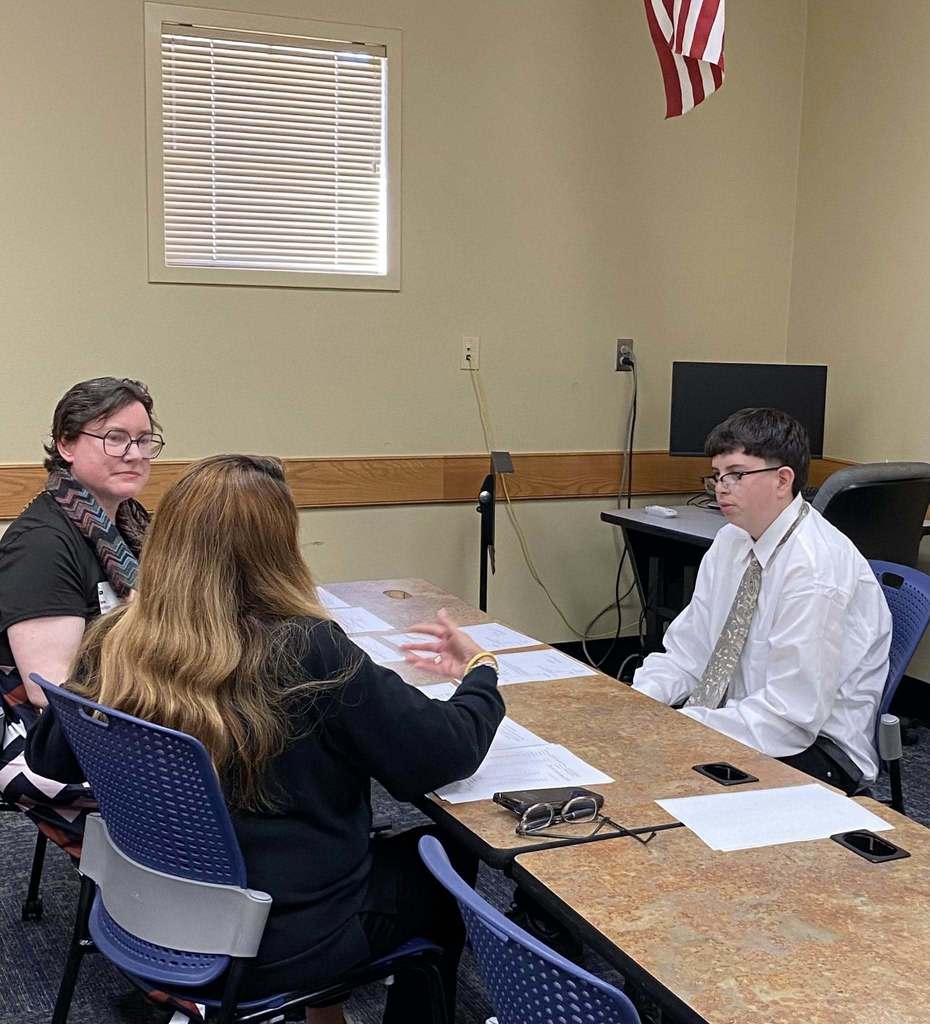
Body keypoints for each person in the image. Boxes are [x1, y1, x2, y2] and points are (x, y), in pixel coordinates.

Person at [26, 454, 504, 1024]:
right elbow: (444, 753)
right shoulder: (308, 648)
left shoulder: (119, 641)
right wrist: (481, 670)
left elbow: (47, 754)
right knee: (443, 857)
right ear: (278, 548)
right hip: (274, 941)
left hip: (144, 909)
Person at [632, 407, 892, 793]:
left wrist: (684, 727)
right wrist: (637, 704)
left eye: (736, 474)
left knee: (662, 787)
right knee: (629, 761)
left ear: (782, 480)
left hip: (817, 749)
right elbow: (689, 653)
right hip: (740, 720)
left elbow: (791, 718)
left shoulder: (814, 569)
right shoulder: (730, 541)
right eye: (717, 476)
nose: (722, 487)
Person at [0, 377, 163, 849]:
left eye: (143, 439)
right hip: (62, 736)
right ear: (66, 445)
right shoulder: (42, 545)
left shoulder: (131, 523)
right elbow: (49, 690)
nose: (134, 453)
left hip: (125, 697)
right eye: (114, 438)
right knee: (245, 763)